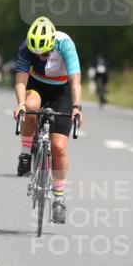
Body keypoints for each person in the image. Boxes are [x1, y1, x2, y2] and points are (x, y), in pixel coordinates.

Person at [12, 16, 83, 224]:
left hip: (62, 90)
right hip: (37, 86)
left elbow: (75, 80)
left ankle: (59, 198)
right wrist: (20, 104)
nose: (41, 56)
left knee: (59, 147)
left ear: (52, 44)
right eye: (37, 53)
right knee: (31, 107)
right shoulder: (26, 47)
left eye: (44, 53)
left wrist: (77, 107)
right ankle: (25, 153)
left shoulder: (65, 45)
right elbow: (20, 80)